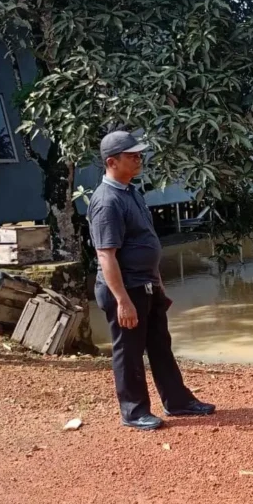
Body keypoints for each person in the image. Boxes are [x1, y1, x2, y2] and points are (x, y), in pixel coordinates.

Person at [87, 130, 214, 431]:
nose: (138, 158)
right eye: (132, 155)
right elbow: (107, 256)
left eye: (138, 154)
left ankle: (178, 402)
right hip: (126, 289)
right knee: (128, 352)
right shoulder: (106, 202)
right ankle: (133, 412)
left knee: (160, 345)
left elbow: (146, 242)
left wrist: (157, 283)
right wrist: (122, 300)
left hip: (146, 285)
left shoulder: (131, 192)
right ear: (111, 162)